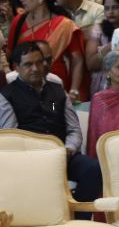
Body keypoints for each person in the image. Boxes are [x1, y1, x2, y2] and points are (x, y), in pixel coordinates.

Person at [0, 42, 102, 207]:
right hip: (30, 159)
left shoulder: (57, 91)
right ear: (16, 67)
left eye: (39, 62)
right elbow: (11, 137)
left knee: (92, 169)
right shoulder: (7, 95)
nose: (35, 68)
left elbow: (73, 129)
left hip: (62, 155)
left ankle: (78, 214)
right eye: (28, 64)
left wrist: (68, 149)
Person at [5, 0, 84, 102]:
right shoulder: (18, 21)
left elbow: (77, 60)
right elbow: (10, 54)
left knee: (53, 111)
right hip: (22, 88)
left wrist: (74, 90)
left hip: (55, 87)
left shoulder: (64, 25)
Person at [85, 0, 119, 96]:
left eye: (115, 7)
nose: (110, 12)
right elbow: (91, 64)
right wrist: (111, 46)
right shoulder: (98, 30)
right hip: (102, 85)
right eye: (107, 8)